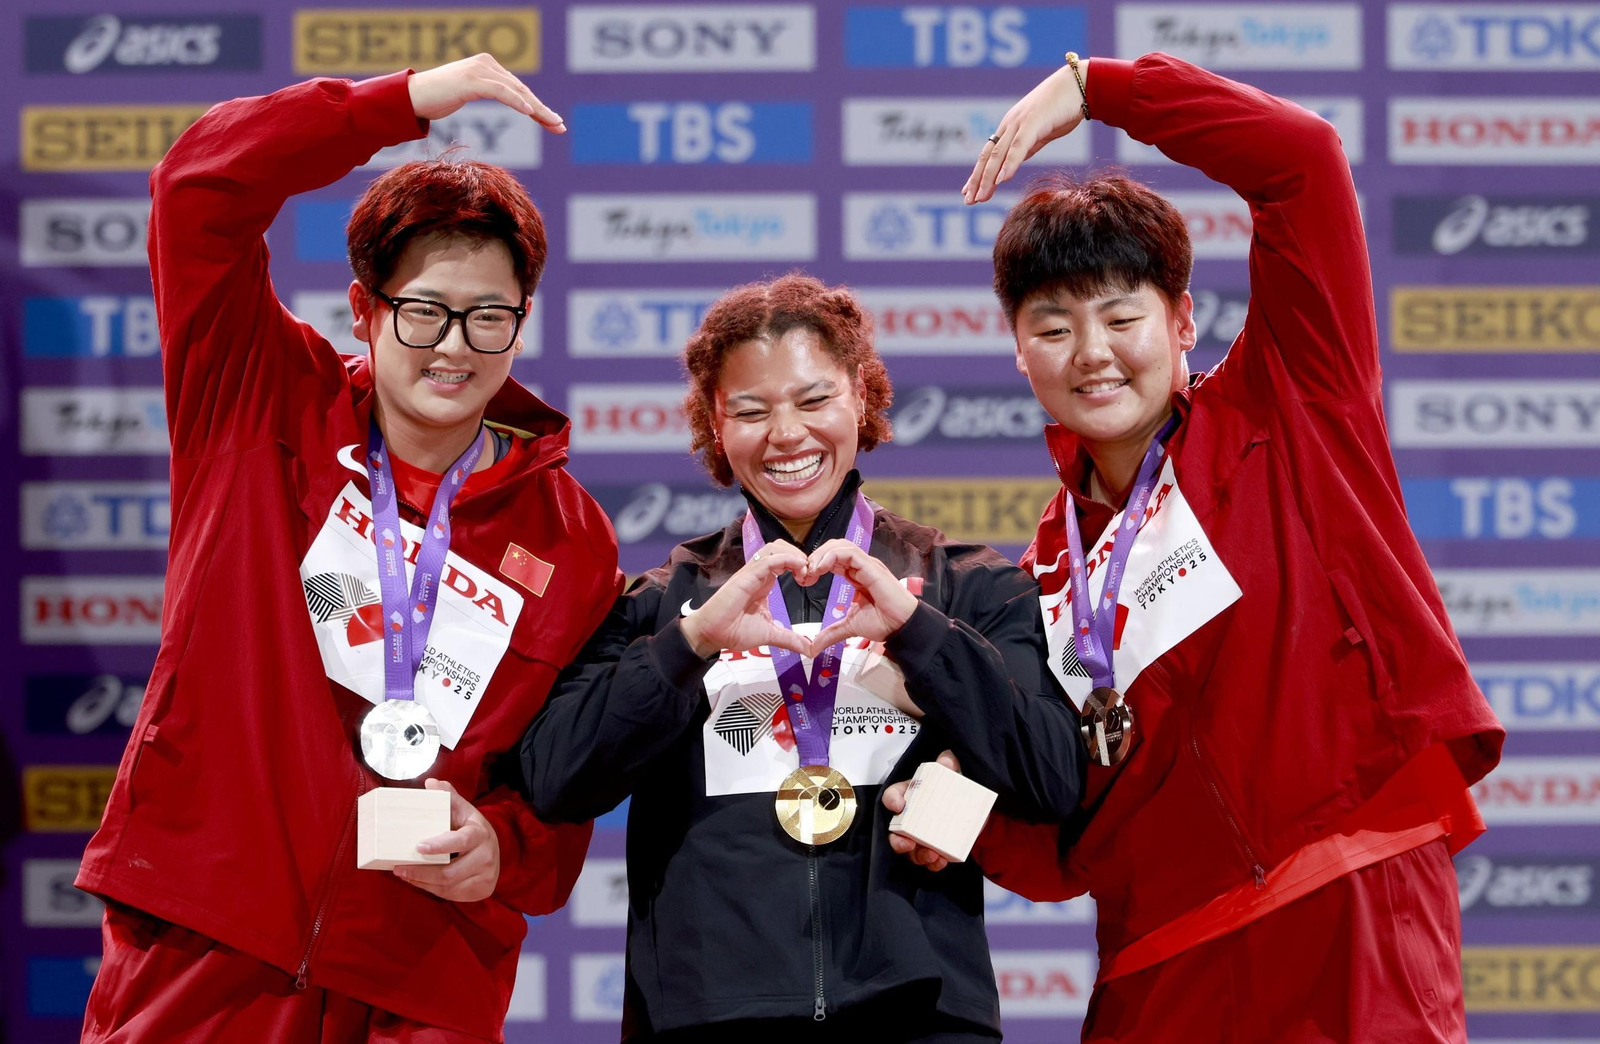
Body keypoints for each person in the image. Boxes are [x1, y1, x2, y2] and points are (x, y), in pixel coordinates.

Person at [886, 53, 1505, 1042]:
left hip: (1343, 892)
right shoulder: (1044, 571)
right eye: (1052, 325)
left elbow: (1301, 160)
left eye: (1121, 315)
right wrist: (961, 816)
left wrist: (1097, 90)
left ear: (1182, 321)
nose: (1091, 353)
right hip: (1154, 961)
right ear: (1016, 349)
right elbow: (1067, 837)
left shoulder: (1293, 401)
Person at [76, 54, 622, 1042]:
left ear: (521, 325)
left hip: (418, 976)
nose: (454, 346)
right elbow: (197, 184)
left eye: (486, 316)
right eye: (423, 311)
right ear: (366, 309)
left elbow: (557, 777)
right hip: (210, 937)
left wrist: (505, 849)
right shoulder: (258, 393)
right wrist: (401, 100)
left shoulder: (572, 538)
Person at [522, 273, 1086, 1042]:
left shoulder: (968, 585)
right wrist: (688, 649)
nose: (785, 434)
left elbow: (1052, 773)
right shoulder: (660, 602)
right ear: (714, 425)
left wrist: (920, 637)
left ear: (860, 395)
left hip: (920, 1014)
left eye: (813, 400)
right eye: (750, 410)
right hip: (705, 1016)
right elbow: (555, 778)